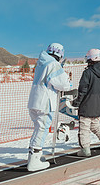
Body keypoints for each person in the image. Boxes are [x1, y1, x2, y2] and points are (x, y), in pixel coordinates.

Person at [27, 43, 72, 171]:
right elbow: (63, 84)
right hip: (45, 102)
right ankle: (34, 161)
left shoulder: (41, 62)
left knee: (38, 128)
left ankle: (35, 157)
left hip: (35, 100)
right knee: (42, 129)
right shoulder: (53, 64)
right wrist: (69, 83)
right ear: (60, 54)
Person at [71, 49, 100, 157]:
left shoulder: (88, 72)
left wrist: (76, 103)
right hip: (99, 104)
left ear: (91, 59)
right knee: (95, 125)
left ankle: (85, 149)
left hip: (87, 105)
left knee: (84, 127)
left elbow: (83, 90)